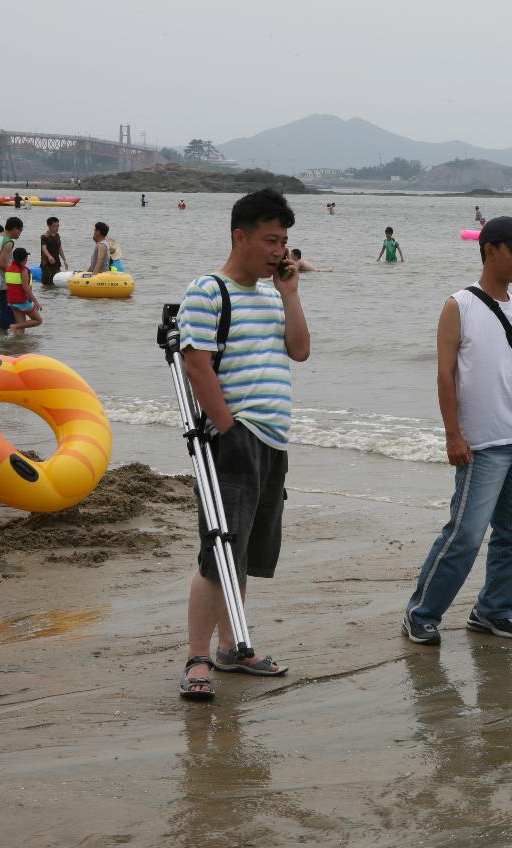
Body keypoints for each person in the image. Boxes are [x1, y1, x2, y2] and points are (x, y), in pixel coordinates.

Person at [175, 188, 310, 700]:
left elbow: (299, 350)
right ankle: (198, 657)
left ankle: (234, 646)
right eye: (270, 240)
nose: (279, 251)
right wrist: (227, 428)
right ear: (241, 236)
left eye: (284, 242)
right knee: (220, 551)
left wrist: (292, 294)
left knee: (246, 550)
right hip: (235, 436)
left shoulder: (273, 295)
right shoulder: (208, 290)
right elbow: (196, 364)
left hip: (273, 439)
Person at [402, 216, 512, 646]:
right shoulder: (459, 305)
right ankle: (421, 613)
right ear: (490, 249)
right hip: (483, 444)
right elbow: (445, 375)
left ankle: (494, 611)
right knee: (466, 534)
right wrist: (453, 434)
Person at [0, 218, 23, 332]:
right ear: (15, 228)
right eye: (20, 230)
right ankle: (2, 346)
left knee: (5, 316)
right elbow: (2, 264)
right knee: (5, 320)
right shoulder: (8, 243)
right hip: (4, 284)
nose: (20, 233)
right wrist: (20, 274)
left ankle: (4, 344)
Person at [4, 247, 42, 333]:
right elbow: (26, 288)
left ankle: (19, 344)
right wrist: (36, 302)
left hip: (13, 301)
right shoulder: (23, 270)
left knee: (21, 329)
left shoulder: (9, 269)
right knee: (38, 320)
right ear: (25, 258)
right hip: (23, 302)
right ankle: (15, 326)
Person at [39, 217, 67, 286]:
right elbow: (44, 248)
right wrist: (49, 256)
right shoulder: (45, 236)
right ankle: (46, 297)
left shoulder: (57, 235)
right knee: (47, 285)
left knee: (57, 283)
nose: (57, 228)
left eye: (58, 225)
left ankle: (55, 297)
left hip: (56, 263)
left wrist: (64, 260)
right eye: (54, 226)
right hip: (47, 265)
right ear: (49, 226)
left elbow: (60, 248)